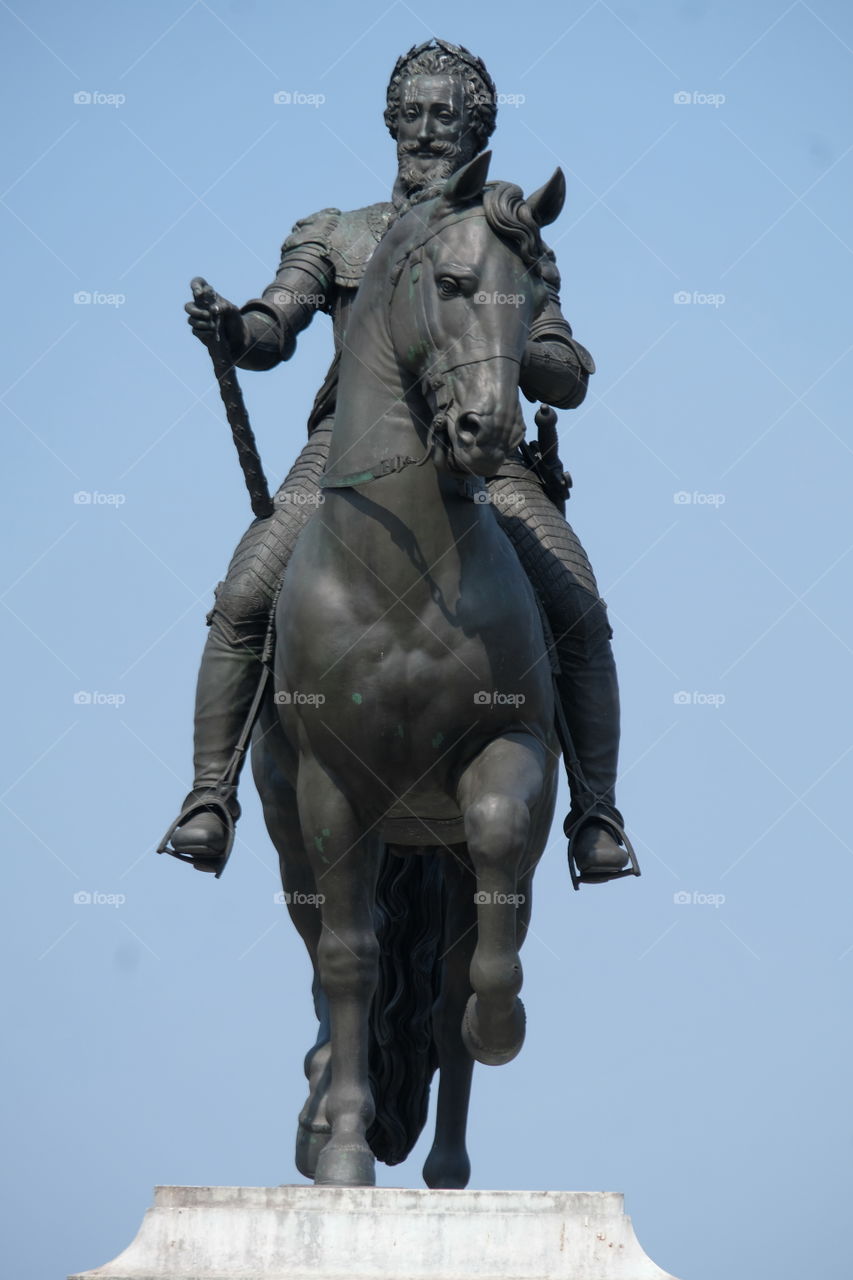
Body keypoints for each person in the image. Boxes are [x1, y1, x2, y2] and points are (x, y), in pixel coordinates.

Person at [160, 39, 629, 884]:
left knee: (579, 609)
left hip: (483, 458)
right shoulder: (339, 233)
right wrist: (233, 330)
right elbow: (275, 327)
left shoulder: (503, 234)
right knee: (243, 593)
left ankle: (594, 811)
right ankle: (209, 795)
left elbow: (564, 370)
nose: (425, 130)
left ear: (477, 126)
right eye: (410, 114)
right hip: (344, 455)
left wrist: (502, 338)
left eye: (445, 116)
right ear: (388, 123)